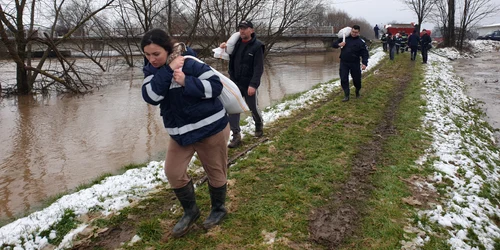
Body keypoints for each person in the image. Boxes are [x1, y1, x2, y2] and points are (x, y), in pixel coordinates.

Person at [141, 29, 230, 237]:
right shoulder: (151, 71)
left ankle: (218, 209)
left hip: (210, 128)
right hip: (180, 134)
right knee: (173, 172)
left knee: (216, 173)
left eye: (156, 54)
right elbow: (151, 96)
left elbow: (216, 87)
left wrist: (186, 82)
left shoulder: (190, 63)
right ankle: (191, 212)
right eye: (147, 54)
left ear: (168, 49)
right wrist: (168, 69)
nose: (151, 59)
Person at [220, 20, 265, 148]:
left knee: (253, 107)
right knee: (233, 109)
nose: (242, 31)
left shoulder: (257, 46)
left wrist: (253, 85)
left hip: (249, 84)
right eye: (240, 28)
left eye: (245, 28)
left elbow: (258, 68)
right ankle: (236, 136)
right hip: (235, 83)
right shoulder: (235, 44)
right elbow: (226, 57)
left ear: (252, 30)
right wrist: (223, 48)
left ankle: (258, 125)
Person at [332, 25, 369, 102]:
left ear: (359, 33)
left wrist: (364, 63)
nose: (354, 33)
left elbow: (365, 54)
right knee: (344, 78)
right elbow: (333, 45)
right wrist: (339, 44)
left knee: (357, 80)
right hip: (344, 62)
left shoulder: (361, 42)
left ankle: (357, 90)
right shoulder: (344, 38)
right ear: (351, 31)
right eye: (353, 32)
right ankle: (346, 95)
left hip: (355, 63)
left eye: (356, 32)